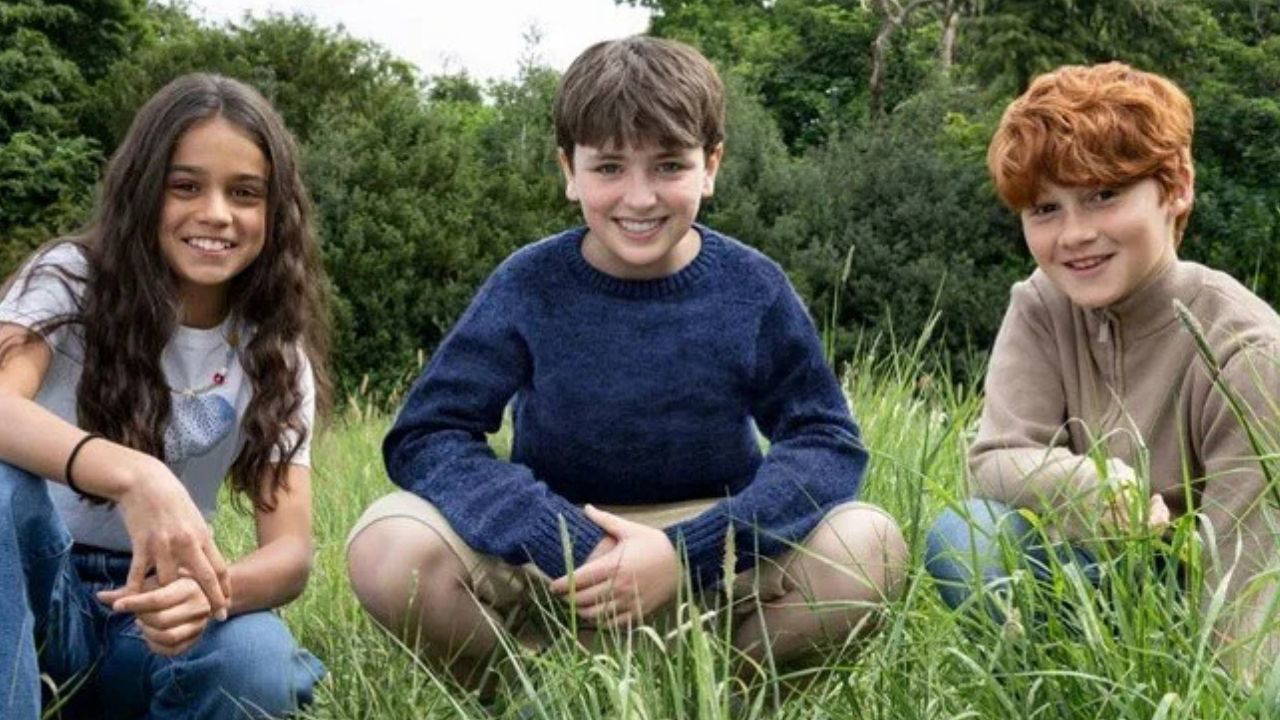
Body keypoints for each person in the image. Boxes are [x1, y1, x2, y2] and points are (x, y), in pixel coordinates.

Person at [346, 35, 907, 691]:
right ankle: (540, 692)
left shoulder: (752, 287)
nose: (639, 198)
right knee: (387, 547)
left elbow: (825, 439)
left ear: (711, 165)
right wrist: (556, 535)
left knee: (871, 545)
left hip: (714, 556)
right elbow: (427, 433)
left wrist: (689, 553)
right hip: (555, 561)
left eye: (669, 165)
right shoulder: (528, 284)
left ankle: (714, 693)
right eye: (609, 167)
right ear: (569, 169)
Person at [924, 62, 1280, 679]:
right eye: (1045, 208)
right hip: (1094, 574)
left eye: (1104, 195)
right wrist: (1092, 489)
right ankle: (1056, 695)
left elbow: (1246, 567)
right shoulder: (1041, 304)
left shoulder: (1249, 350)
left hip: (1216, 593)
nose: (1074, 235)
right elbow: (996, 458)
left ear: (1177, 188)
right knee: (966, 536)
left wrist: (1219, 693)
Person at [0, 73, 329, 718]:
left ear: (275, 211)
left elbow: (290, 554)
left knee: (256, 658)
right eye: (185, 186)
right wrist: (134, 475)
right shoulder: (69, 279)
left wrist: (211, 593)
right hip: (34, 594)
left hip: (154, 617)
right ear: (143, 190)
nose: (216, 213)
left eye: (245, 193)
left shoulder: (276, 352)